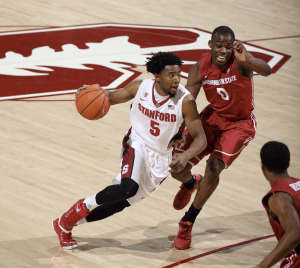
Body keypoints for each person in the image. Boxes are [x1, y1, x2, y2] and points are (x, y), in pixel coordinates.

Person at [52, 51, 207, 249]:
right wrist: (85, 94)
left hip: (161, 157)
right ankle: (79, 208)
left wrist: (185, 154)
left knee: (118, 204)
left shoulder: (185, 101)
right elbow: (108, 97)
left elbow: (201, 138)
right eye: (171, 75)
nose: (177, 79)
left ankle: (65, 224)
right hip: (136, 144)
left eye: (178, 74)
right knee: (127, 188)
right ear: (157, 76)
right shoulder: (140, 88)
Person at [171, 25, 272, 250]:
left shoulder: (241, 62)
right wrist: (178, 130)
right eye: (219, 46)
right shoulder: (200, 67)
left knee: (214, 166)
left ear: (233, 46)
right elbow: (187, 102)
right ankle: (189, 183)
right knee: (175, 165)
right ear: (211, 46)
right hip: (212, 118)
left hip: (239, 124)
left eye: (228, 46)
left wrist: (249, 59)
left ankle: (187, 221)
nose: (223, 50)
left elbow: (267, 70)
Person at [242, 141, 300, 268]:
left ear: (262, 167)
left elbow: (295, 233)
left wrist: (262, 266)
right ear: (288, 164)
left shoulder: (279, 197)